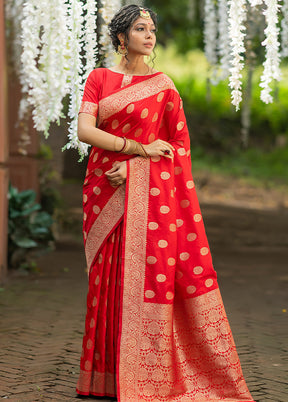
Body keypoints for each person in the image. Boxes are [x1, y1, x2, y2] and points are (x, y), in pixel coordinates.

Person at [76, 4, 254, 401]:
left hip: (146, 198)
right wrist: (136, 150)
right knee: (107, 285)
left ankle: (144, 376)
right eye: (140, 29)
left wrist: (137, 171)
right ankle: (106, 377)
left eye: (152, 29)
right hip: (104, 194)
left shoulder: (164, 86)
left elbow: (177, 150)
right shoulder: (99, 79)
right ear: (122, 38)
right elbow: (85, 130)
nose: (149, 35)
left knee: (142, 283)